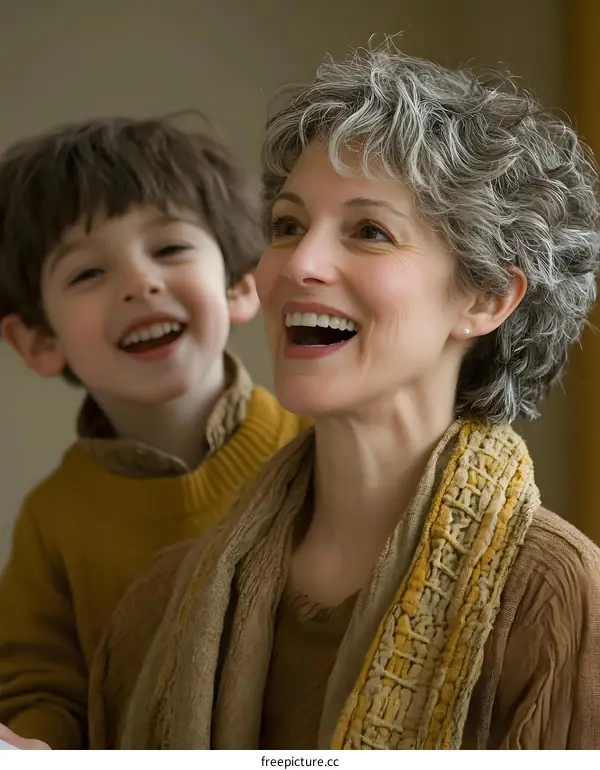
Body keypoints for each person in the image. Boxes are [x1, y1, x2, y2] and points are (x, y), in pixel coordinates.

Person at [15, 42, 600, 750]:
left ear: (486, 297)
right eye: (288, 227)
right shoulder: (150, 612)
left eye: (369, 232)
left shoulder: (556, 598)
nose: (300, 264)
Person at [0, 117, 310, 749]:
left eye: (169, 249)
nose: (141, 283)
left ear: (241, 284)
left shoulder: (324, 449)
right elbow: (39, 686)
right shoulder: (52, 521)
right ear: (38, 341)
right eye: (88, 274)